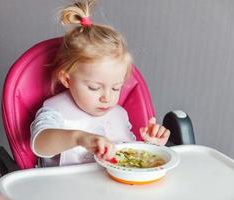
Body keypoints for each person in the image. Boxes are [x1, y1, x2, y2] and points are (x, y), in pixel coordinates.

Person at [30, 0, 170, 167]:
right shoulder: (55, 112)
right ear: (67, 79)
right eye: (94, 88)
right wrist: (79, 138)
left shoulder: (119, 115)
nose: (107, 97)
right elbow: (40, 144)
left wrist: (151, 146)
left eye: (116, 88)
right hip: (65, 190)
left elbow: (127, 163)